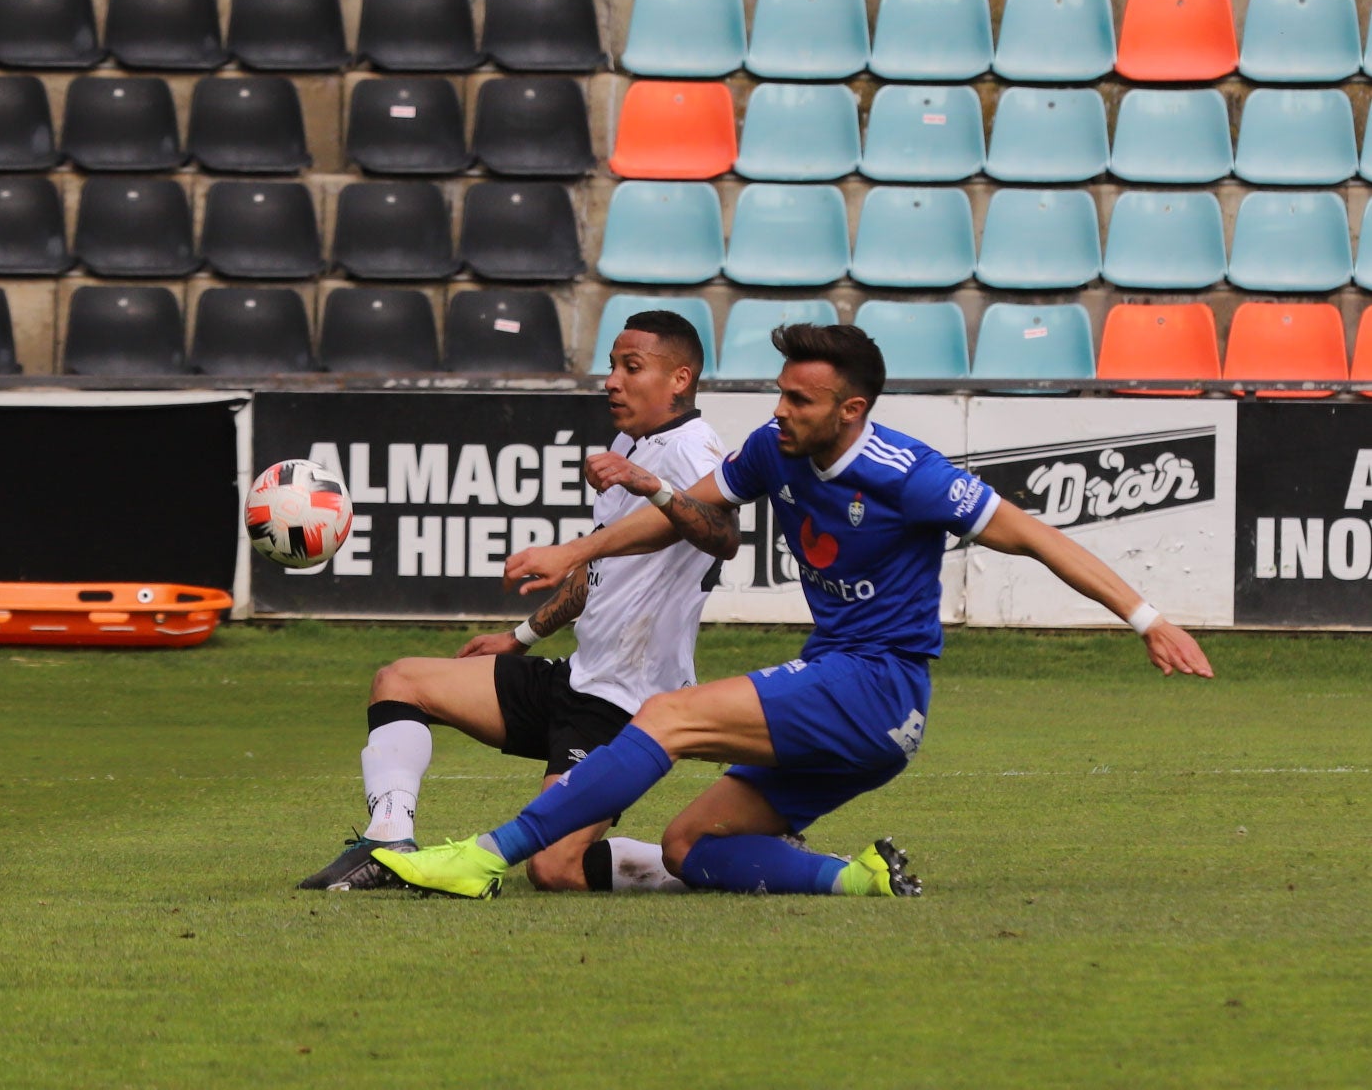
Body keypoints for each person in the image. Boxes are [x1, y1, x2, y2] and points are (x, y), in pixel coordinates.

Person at [372, 322, 1216, 900]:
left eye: (800, 400)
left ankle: (481, 857)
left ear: (850, 410)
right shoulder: (774, 451)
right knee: (687, 848)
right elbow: (683, 510)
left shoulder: (905, 472)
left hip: (876, 685)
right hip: (856, 709)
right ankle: (859, 879)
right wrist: (574, 553)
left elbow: (1036, 536)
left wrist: (1148, 618)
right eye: (780, 394)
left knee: (668, 716)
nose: (780, 411)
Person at [297, 311, 731, 893]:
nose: (612, 382)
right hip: (575, 680)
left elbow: (722, 534)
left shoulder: (693, 448)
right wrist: (521, 637)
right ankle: (388, 842)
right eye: (611, 367)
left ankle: (724, 862)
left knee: (554, 868)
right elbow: (603, 571)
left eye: (632, 368)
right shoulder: (632, 441)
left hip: (625, 710)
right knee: (400, 680)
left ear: (680, 379)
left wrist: (648, 483)